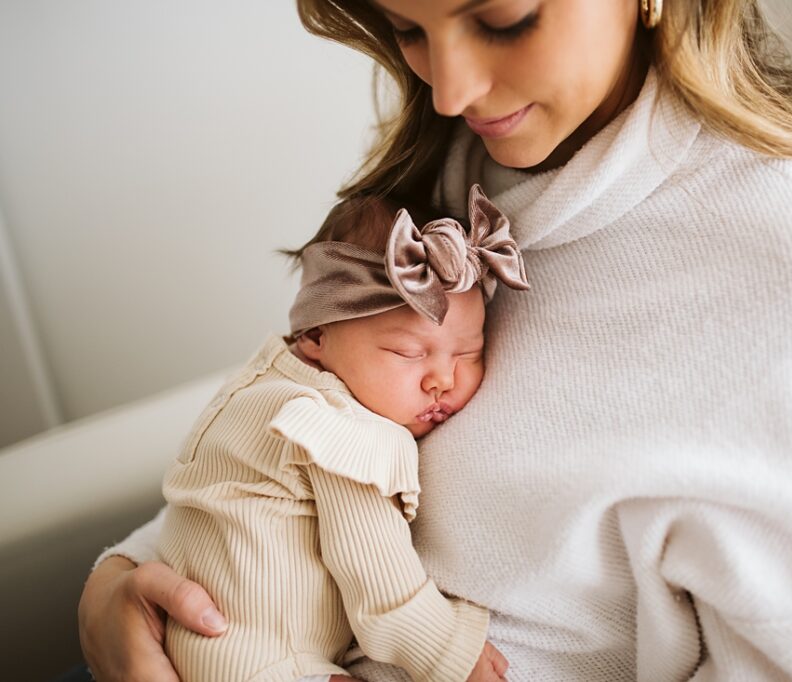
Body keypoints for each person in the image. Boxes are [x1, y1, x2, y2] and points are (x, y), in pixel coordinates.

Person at [78, 0, 792, 680]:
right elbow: (289, 438)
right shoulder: (445, 178)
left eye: (505, 20)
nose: (449, 88)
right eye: (409, 29)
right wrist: (117, 590)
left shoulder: (791, 266)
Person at [154, 188, 527, 682]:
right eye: (407, 352)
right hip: (265, 665)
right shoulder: (344, 429)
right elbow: (379, 589)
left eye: (468, 353)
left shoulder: (264, 383)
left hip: (186, 641)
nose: (443, 379)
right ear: (315, 335)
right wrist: (451, 655)